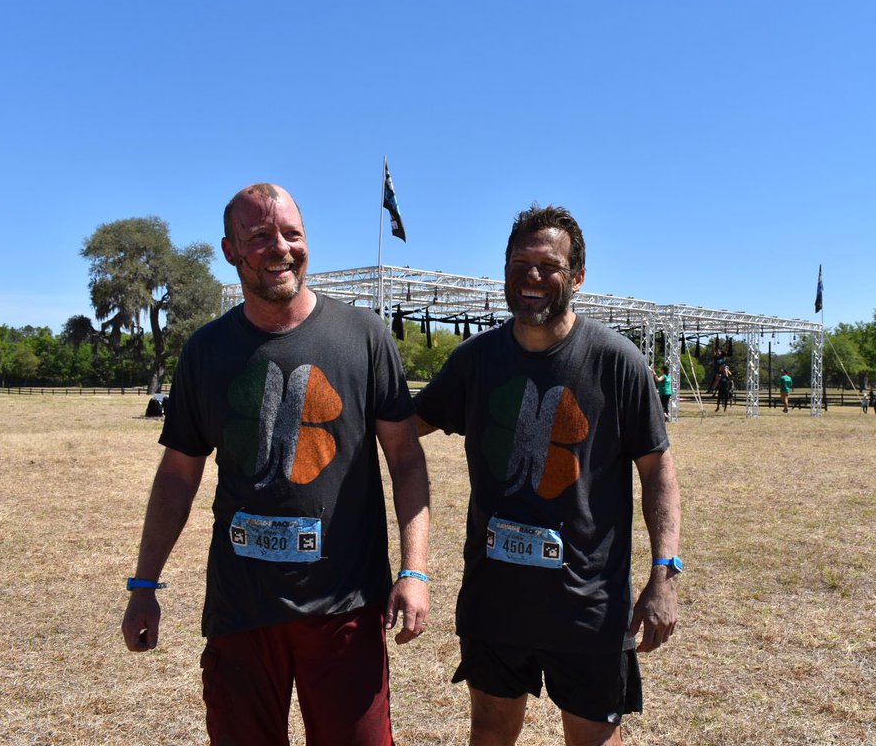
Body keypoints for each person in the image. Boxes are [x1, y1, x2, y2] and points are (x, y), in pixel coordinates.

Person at [120, 183, 431, 745]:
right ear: (230, 249)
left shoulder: (364, 338)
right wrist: (144, 584)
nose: (280, 248)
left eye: (292, 234)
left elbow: (406, 460)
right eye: (259, 236)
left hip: (345, 606)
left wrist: (414, 571)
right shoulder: (206, 351)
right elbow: (177, 476)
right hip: (242, 609)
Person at [414, 204, 682, 746]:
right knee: (489, 727)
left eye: (549, 265)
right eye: (519, 263)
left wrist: (664, 574)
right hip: (496, 598)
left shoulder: (616, 362)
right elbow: (402, 426)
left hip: (586, 602)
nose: (532, 276)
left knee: (595, 737)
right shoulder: (476, 361)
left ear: (577, 276)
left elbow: (658, 471)